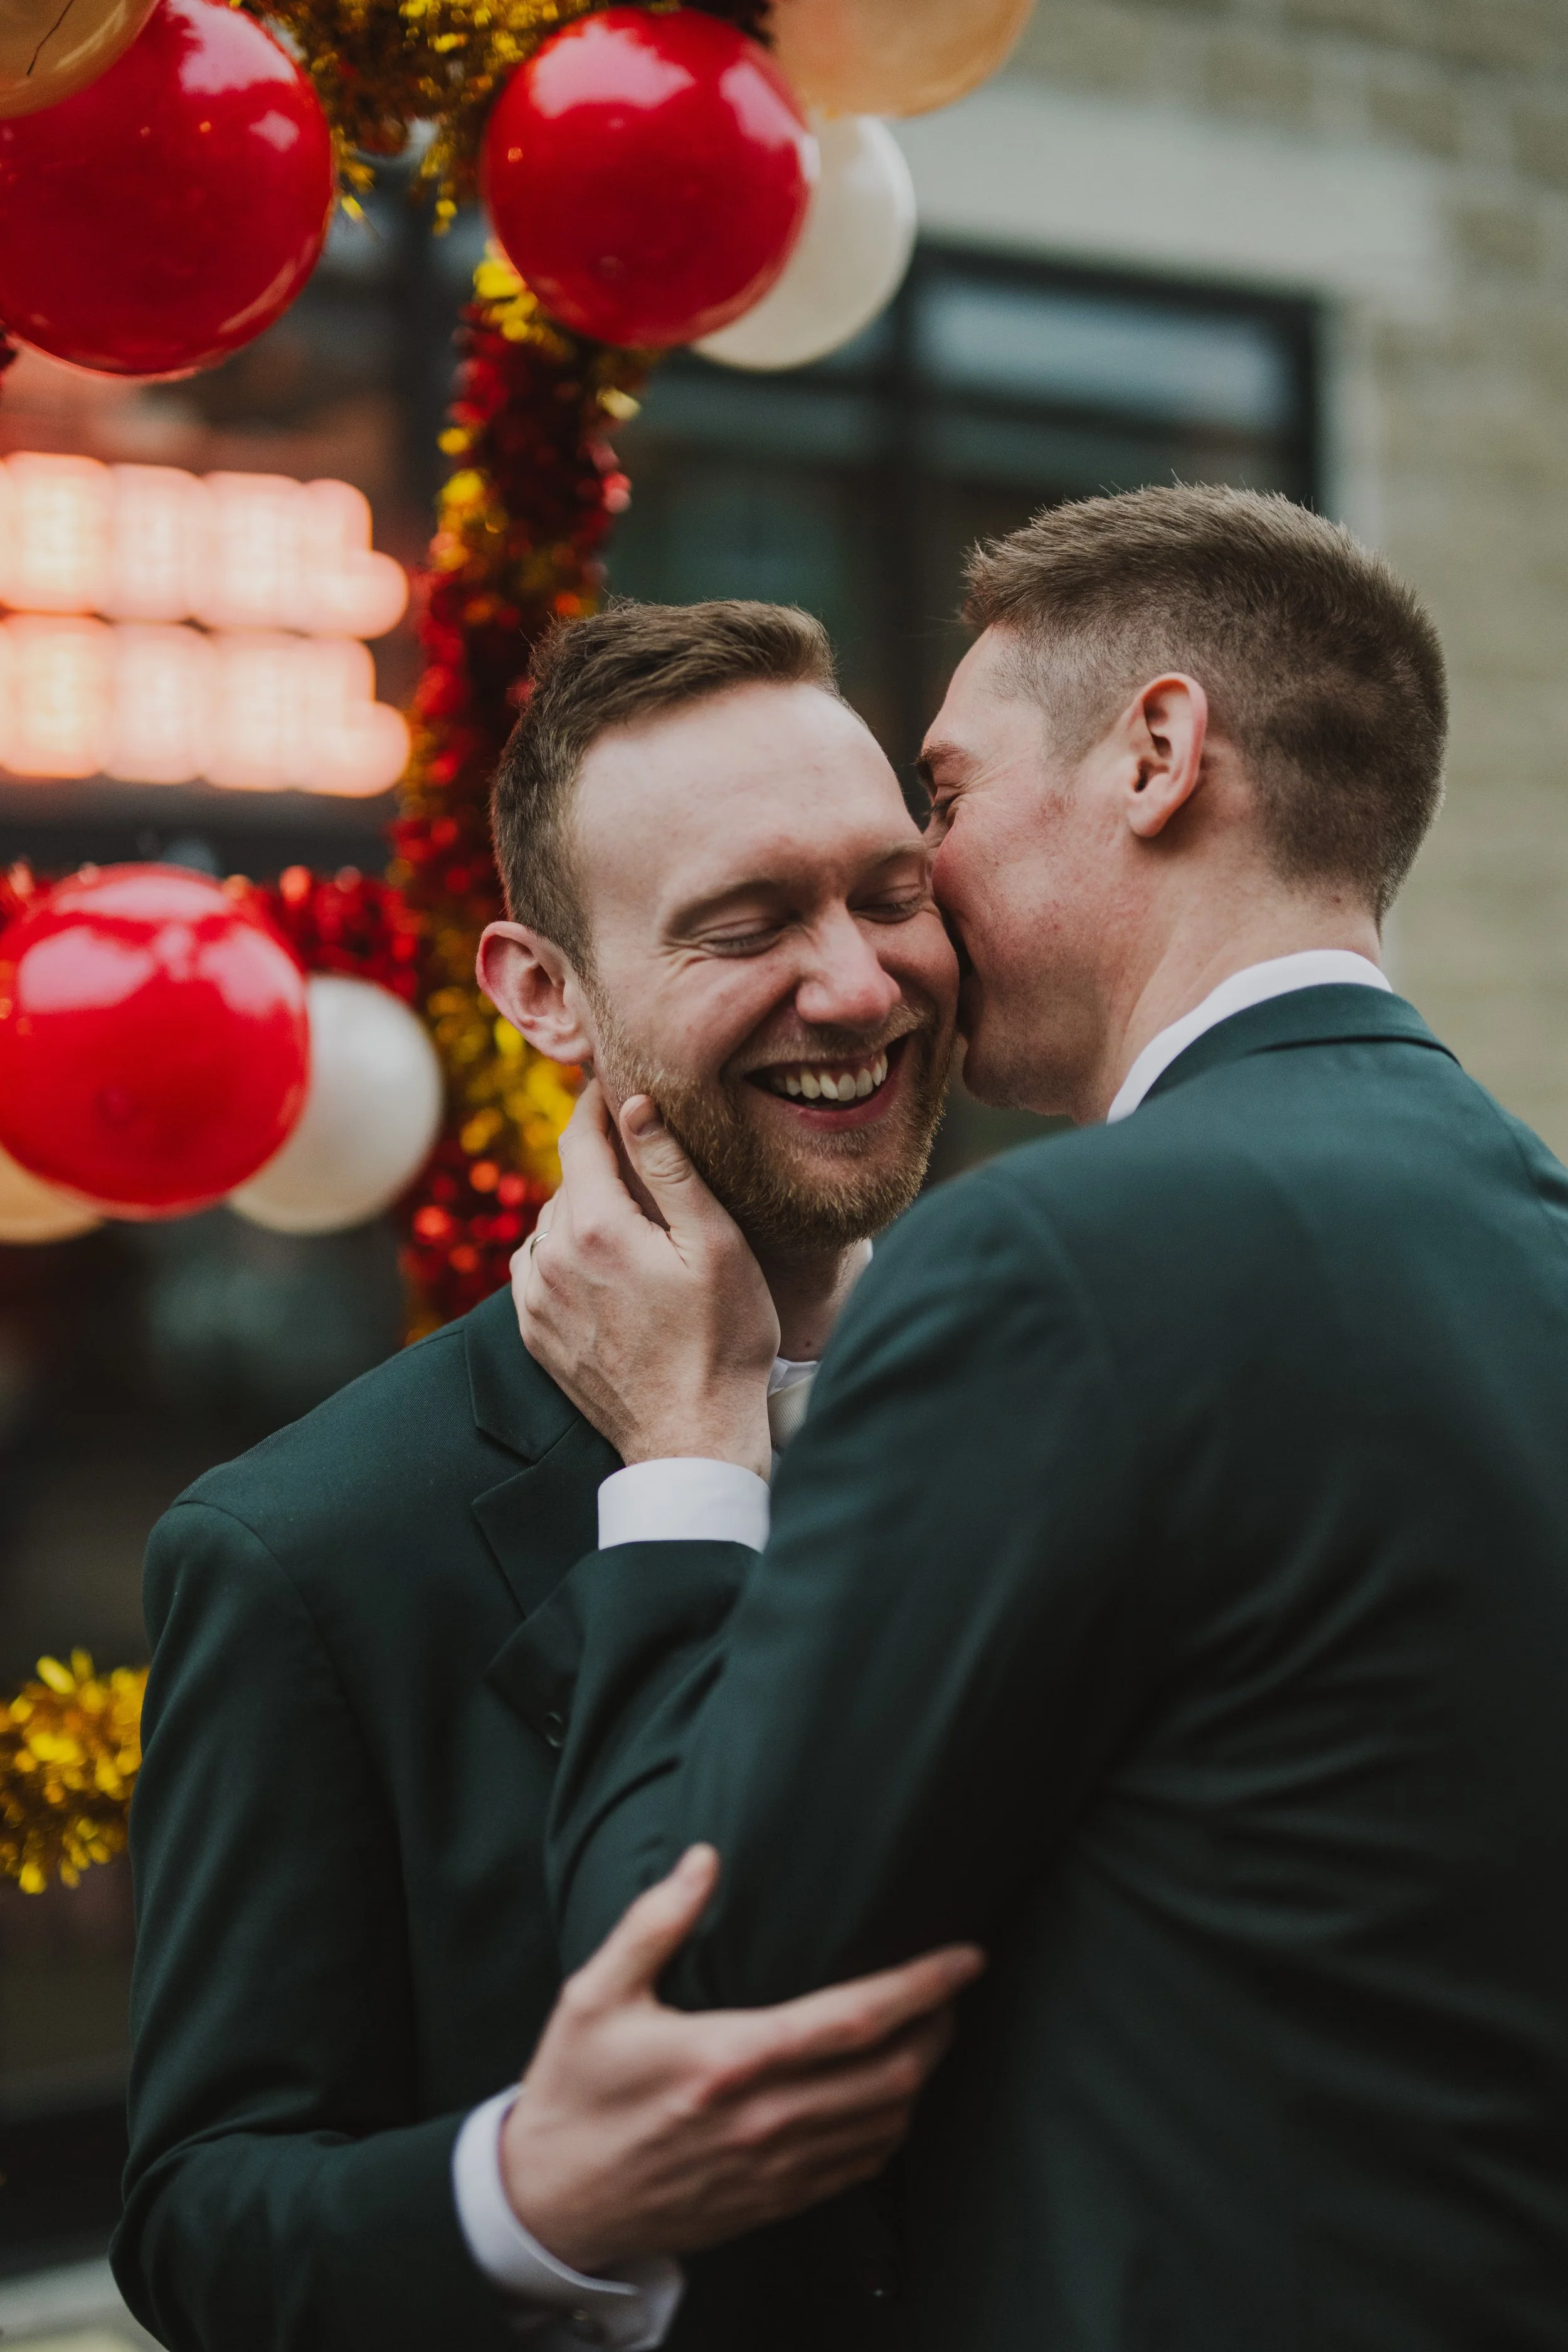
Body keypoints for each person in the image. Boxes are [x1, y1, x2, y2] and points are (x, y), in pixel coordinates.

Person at [514, 486, 1568, 2351]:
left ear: (1158, 754)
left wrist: (683, 1451)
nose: (917, 896)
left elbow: (702, 1993)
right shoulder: (1531, 1224)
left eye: (943, 798)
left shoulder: (1051, 1260)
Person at [111, 600, 982, 2352]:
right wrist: (529, 2194)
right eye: (745, 925)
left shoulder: (1065, 1396)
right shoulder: (302, 1550)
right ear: (541, 992)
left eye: (890, 893)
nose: (856, 986)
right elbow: (202, 2223)